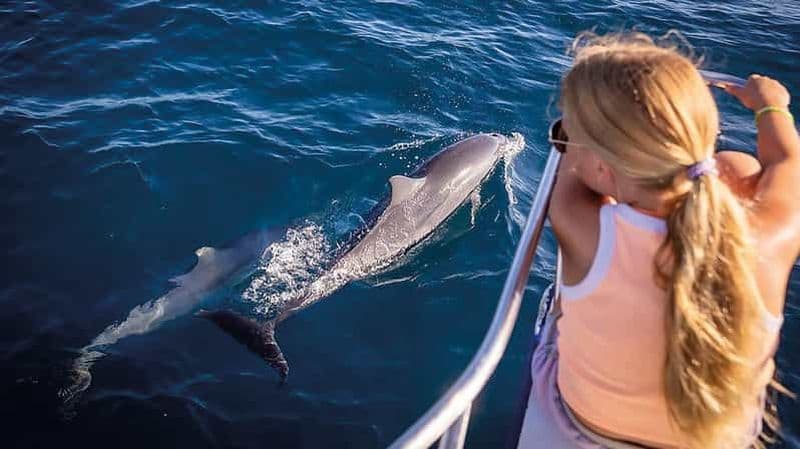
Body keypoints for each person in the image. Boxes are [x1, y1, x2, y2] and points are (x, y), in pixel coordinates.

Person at [517, 32, 799, 449]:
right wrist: (771, 106)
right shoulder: (774, 234)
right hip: (717, 439)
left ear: (602, 168)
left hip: (576, 431)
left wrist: (574, 134)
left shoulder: (581, 226)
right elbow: (787, 160)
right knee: (738, 165)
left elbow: (571, 171)